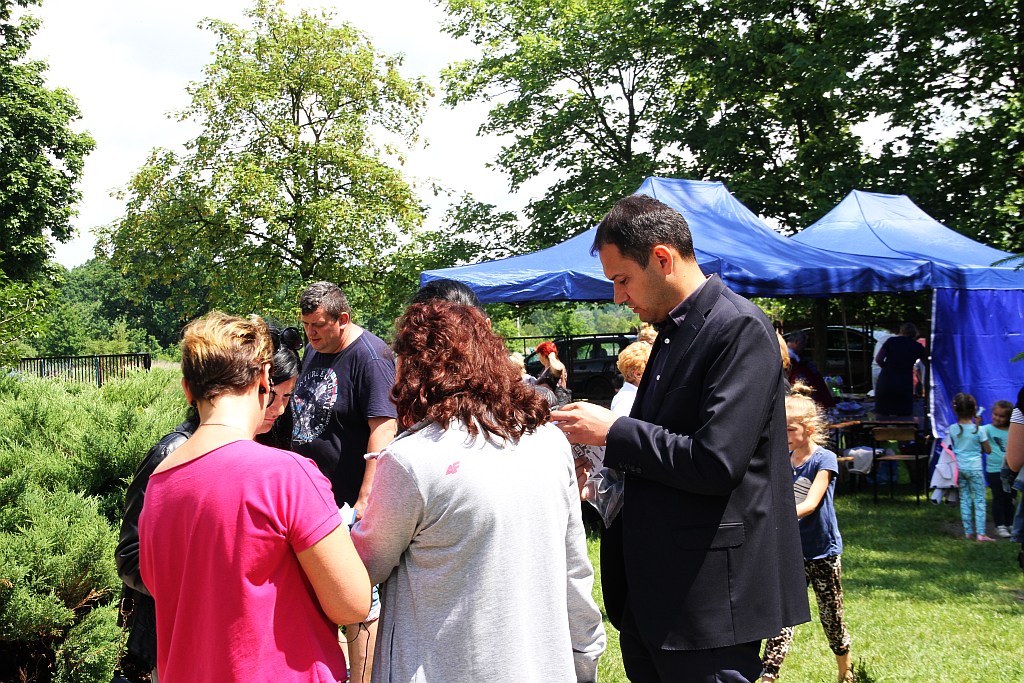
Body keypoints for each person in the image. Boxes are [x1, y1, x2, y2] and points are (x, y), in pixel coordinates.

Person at [551, 194, 809, 683]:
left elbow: (716, 462)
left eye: (622, 280)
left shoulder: (737, 329)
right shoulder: (675, 331)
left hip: (708, 603)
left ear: (663, 258)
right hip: (660, 597)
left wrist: (615, 431)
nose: (618, 298)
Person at [351, 300, 606, 682]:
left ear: (415, 368)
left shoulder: (413, 459)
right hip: (543, 666)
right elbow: (575, 569)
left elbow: (363, 568)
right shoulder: (549, 442)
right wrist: (584, 657)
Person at [138, 312, 370, 682]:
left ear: (187, 388)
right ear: (264, 379)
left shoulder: (160, 482)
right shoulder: (286, 475)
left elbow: (160, 584)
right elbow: (352, 603)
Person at [115, 324, 303, 680]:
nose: (277, 408)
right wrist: (201, 588)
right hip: (177, 639)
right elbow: (129, 556)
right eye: (271, 393)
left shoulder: (271, 454)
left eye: (288, 397)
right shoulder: (171, 454)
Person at [292, 281, 398, 683]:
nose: (311, 334)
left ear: (344, 319)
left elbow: (384, 429)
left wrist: (365, 502)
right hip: (310, 500)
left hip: (347, 505)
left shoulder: (370, 357)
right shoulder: (314, 348)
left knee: (358, 602)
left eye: (318, 325)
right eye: (305, 326)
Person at [760, 384, 853, 683]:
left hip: (822, 552)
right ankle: (768, 675)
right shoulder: (781, 460)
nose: (784, 436)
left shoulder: (823, 460)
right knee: (782, 616)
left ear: (809, 428)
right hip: (791, 550)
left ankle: (845, 670)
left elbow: (811, 504)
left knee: (831, 616)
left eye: (789, 430)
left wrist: (775, 516)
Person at [944, 392, 993, 541]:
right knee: (979, 499)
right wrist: (978, 425)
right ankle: (981, 533)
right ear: (974, 410)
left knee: (964, 499)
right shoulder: (980, 430)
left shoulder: (952, 429)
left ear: (955, 410)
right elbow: (988, 450)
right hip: (975, 468)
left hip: (960, 469)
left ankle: (968, 532)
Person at [874, 323, 927, 416]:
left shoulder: (891, 341)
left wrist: (887, 368)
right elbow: (927, 363)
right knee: (903, 414)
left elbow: (878, 359)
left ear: (901, 331)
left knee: (883, 413)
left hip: (886, 379)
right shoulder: (917, 346)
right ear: (915, 333)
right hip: (904, 382)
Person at [982, 400, 1013, 538]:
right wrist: (976, 423)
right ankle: (999, 525)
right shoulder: (987, 429)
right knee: (999, 498)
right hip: (994, 470)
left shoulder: (1012, 430)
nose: (997, 418)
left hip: (1011, 469)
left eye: (1002, 416)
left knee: (1010, 498)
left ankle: (1010, 522)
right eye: (995, 414)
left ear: (1008, 418)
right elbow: (975, 434)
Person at [611, 341, 651, 417]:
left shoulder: (634, 395)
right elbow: (622, 428)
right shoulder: (627, 400)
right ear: (638, 374)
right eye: (653, 368)